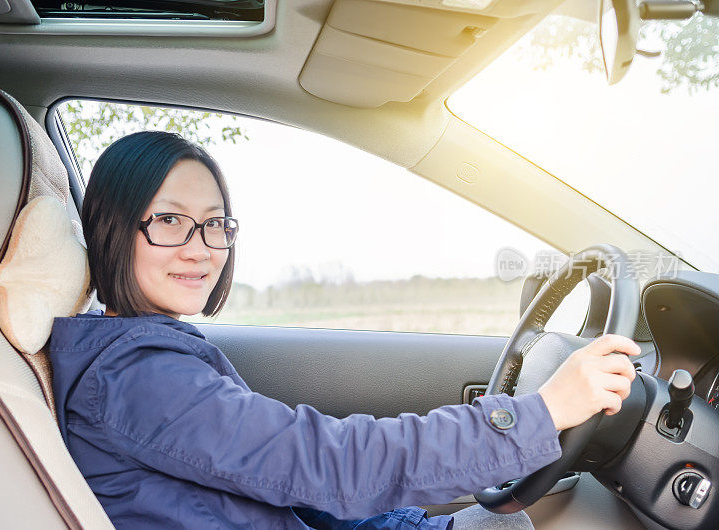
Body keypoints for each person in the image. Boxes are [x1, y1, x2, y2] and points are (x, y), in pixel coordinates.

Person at [49, 131, 640, 529]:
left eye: (214, 224)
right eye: (170, 221)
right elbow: (324, 464)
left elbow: (286, 488)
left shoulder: (140, 352)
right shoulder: (140, 377)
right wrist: (539, 413)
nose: (201, 250)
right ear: (113, 228)